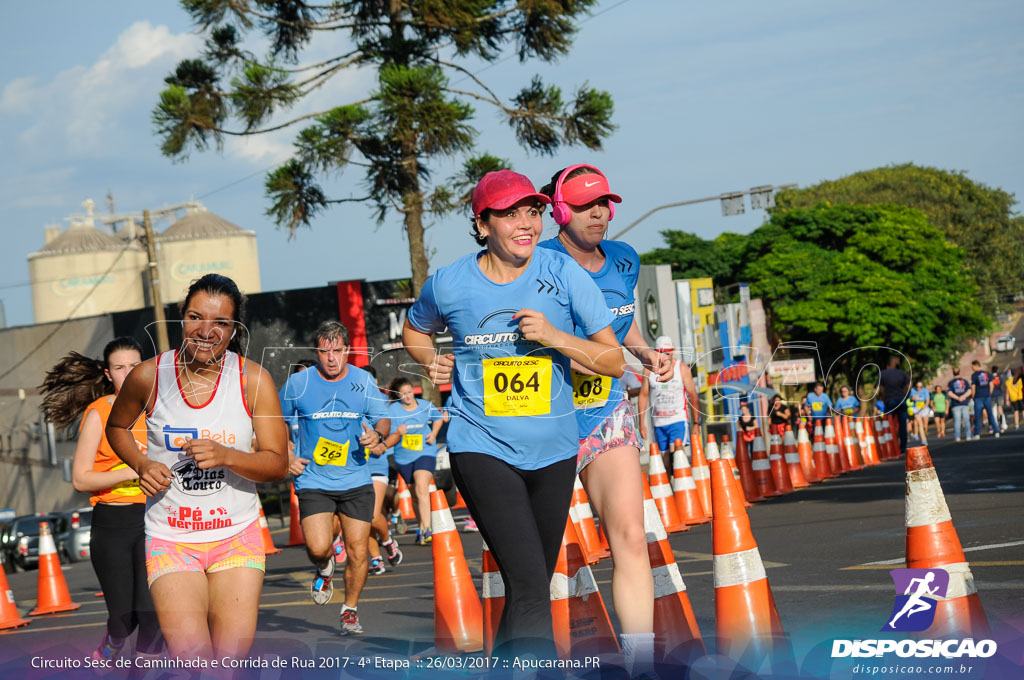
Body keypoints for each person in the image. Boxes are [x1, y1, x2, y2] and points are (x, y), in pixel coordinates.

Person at [403, 169, 623, 660]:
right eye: (509, 214)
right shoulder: (449, 284)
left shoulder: (563, 272)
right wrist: (428, 360)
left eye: (533, 212)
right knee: (527, 583)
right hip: (480, 444)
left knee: (531, 586)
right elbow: (415, 330)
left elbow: (612, 360)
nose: (526, 224)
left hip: (555, 450)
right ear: (482, 224)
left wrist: (556, 338)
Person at [537, 163, 675, 673]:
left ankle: (639, 663)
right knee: (535, 557)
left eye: (605, 204)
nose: (599, 213)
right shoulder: (537, 259)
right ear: (560, 209)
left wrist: (642, 354)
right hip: (542, 417)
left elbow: (619, 320)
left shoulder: (623, 259)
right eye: (586, 205)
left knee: (630, 536)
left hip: (606, 412)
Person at [107, 274, 289, 659]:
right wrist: (141, 463)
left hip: (235, 537)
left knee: (230, 662)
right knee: (194, 660)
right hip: (172, 539)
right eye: (195, 317)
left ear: (235, 328)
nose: (206, 331)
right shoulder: (149, 376)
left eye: (221, 323)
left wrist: (227, 455)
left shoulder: (253, 380)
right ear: (181, 317)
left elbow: (277, 464)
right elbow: (117, 426)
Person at [41, 338, 163, 663]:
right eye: (119, 368)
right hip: (114, 524)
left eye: (134, 366)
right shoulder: (100, 413)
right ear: (108, 374)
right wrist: (133, 468)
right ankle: (113, 640)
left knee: (153, 615)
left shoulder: (161, 410)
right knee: (124, 618)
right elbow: (81, 478)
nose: (128, 373)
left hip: (157, 521)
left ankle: (141, 672)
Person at [279, 320, 391, 635]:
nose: (331, 358)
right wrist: (285, 452)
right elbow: (273, 420)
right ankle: (325, 566)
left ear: (347, 351)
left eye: (338, 351)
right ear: (316, 352)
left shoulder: (363, 381)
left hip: (356, 478)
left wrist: (377, 437)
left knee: (357, 550)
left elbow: (382, 419)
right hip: (313, 479)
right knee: (317, 547)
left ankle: (350, 611)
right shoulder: (299, 384)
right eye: (325, 351)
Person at [383, 377, 444, 546]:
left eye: (410, 392)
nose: (408, 396)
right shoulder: (393, 410)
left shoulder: (425, 406)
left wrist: (433, 433)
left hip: (425, 452)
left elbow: (438, 418)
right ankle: (421, 527)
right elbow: (387, 431)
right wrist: (397, 432)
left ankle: (427, 529)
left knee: (421, 486)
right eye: (404, 394)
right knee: (414, 494)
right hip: (403, 457)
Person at [364, 367, 403, 575]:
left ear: (376, 380)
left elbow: (396, 433)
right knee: (364, 518)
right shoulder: (351, 401)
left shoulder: (383, 402)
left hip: (377, 466)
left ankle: (387, 541)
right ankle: (377, 559)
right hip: (356, 467)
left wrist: (383, 445)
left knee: (371, 514)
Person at [638, 336, 699, 453]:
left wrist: (696, 423)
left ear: (673, 351)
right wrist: (641, 424)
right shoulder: (648, 370)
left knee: (677, 454)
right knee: (665, 461)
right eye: (661, 352)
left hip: (678, 419)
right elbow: (643, 395)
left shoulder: (682, 369)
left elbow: (693, 396)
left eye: (667, 352)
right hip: (659, 422)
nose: (665, 356)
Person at [879, 356, 910, 453]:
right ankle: (902, 448)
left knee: (888, 425)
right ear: (896, 363)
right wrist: (905, 397)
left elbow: (881, 390)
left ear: (887, 364)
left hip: (890, 401)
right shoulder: (902, 373)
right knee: (902, 425)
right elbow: (908, 387)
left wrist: (884, 400)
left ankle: (892, 447)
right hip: (901, 401)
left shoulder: (883, 374)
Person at [970, 360, 999, 439]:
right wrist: (989, 393)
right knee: (990, 414)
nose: (972, 368)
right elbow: (991, 384)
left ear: (976, 365)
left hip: (978, 397)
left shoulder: (974, 375)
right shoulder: (986, 373)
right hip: (987, 396)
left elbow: (973, 386)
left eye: (972, 366)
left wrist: (973, 396)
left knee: (978, 416)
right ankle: (996, 431)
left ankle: (977, 434)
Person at [947, 367, 973, 442]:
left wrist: (958, 398)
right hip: (964, 403)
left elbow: (949, 393)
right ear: (959, 372)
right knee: (966, 420)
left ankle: (957, 437)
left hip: (956, 404)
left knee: (957, 421)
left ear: (953, 372)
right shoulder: (964, 381)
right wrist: (963, 397)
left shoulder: (951, 382)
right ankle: (968, 435)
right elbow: (969, 391)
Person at [908, 381, 931, 446]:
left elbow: (927, 400)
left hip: (924, 408)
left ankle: (924, 436)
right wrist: (913, 398)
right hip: (916, 409)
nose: (919, 388)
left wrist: (925, 405)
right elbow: (910, 399)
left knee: (925, 425)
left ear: (922, 386)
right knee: (920, 424)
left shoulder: (925, 390)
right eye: (917, 386)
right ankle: (923, 440)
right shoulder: (913, 390)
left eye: (920, 386)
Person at [990, 365, 1007, 433]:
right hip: (999, 394)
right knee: (1000, 410)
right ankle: (1002, 425)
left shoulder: (990, 377)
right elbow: (1001, 384)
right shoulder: (999, 377)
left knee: (992, 412)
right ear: (997, 370)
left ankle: (994, 426)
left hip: (992, 395)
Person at [1007, 367, 1024, 431]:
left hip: (1013, 398)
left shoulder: (1008, 381)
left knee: (1016, 412)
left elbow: (1007, 391)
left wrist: (1007, 400)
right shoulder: (1019, 380)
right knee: (1023, 411)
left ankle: (1017, 426)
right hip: (1020, 397)